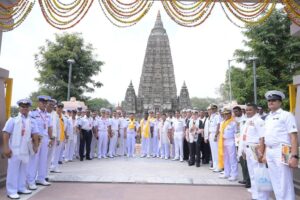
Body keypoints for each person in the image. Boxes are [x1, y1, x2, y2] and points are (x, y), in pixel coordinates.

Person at [261, 90, 298, 200]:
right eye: (269, 100)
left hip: (284, 150)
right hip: (270, 151)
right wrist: (264, 154)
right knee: (275, 180)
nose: (271, 102)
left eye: (274, 100)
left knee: (284, 180)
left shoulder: (286, 115)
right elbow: (268, 138)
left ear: (280, 102)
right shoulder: (267, 118)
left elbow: (293, 136)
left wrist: (294, 156)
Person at [3, 99, 39, 199]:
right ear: (19, 108)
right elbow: (6, 133)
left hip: (26, 148)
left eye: (26, 106)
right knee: (13, 170)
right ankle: (11, 191)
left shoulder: (32, 120)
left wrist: (36, 146)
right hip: (14, 149)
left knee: (24, 169)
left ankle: (21, 187)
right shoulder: (13, 119)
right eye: (22, 106)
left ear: (29, 108)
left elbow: (35, 134)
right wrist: (6, 147)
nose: (24, 108)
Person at [243, 103, 270, 199]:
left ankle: (262, 197)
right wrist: (243, 151)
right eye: (246, 110)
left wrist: (261, 153)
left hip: (256, 148)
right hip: (248, 148)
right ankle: (255, 195)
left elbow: (262, 137)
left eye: (250, 110)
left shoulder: (259, 121)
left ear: (255, 110)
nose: (248, 111)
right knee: (252, 174)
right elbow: (245, 136)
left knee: (259, 173)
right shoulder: (248, 121)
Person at [27, 95, 53, 189]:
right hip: (36, 138)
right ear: (39, 103)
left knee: (43, 159)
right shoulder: (33, 113)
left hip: (45, 138)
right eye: (43, 102)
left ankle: (41, 178)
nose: (44, 104)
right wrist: (33, 139)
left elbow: (50, 127)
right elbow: (29, 126)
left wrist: (51, 138)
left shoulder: (48, 114)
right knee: (34, 160)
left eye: (46, 103)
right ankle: (31, 181)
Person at [233, 106, 251, 188]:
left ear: (241, 111)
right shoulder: (235, 119)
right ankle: (245, 178)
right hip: (238, 143)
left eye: (236, 111)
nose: (235, 113)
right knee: (241, 161)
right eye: (234, 112)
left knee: (246, 162)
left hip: (244, 143)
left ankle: (248, 180)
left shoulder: (245, 119)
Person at [219, 108, 238, 181]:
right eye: (225, 114)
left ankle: (234, 174)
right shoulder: (222, 122)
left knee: (232, 158)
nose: (226, 115)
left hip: (231, 141)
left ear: (230, 114)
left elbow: (237, 133)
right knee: (225, 158)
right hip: (223, 141)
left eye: (227, 114)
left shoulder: (233, 122)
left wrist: (236, 143)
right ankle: (227, 173)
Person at [50, 102, 68, 173]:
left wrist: (65, 136)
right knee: (54, 153)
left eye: (61, 107)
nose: (60, 108)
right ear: (56, 107)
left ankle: (55, 166)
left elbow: (64, 127)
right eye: (58, 107)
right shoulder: (53, 115)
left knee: (58, 153)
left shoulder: (63, 116)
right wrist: (55, 137)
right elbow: (54, 127)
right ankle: (53, 167)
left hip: (61, 137)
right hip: (56, 137)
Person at [208, 104, 222, 172]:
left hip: (215, 134)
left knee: (216, 151)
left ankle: (219, 166)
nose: (212, 110)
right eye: (211, 109)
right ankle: (214, 165)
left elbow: (218, 126)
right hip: (211, 134)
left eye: (213, 109)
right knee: (213, 151)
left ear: (216, 109)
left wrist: (216, 135)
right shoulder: (211, 116)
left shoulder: (217, 116)